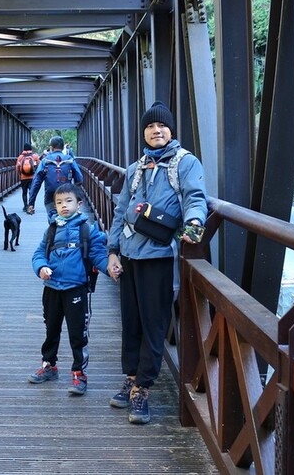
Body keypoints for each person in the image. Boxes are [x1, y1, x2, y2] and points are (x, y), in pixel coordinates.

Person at [106, 101, 208, 425]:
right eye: (150, 127)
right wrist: (112, 251)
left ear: (171, 130)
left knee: (154, 325)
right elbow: (121, 210)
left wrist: (194, 223)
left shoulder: (185, 163)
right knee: (131, 323)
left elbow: (195, 197)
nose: (156, 130)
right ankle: (132, 376)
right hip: (130, 254)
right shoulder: (136, 168)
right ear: (145, 133)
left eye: (161, 126)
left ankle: (143, 388)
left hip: (159, 256)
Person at [28, 183, 109, 396]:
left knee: (77, 333)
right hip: (52, 287)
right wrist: (41, 267)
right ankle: (49, 365)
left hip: (76, 289)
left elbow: (98, 254)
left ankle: (79, 373)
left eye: (68, 201)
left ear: (79, 204)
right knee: (51, 328)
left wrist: (110, 268)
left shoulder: (87, 230)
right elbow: (38, 253)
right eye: (59, 202)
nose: (63, 206)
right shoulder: (52, 229)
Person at [27, 136, 84, 219]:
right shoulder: (70, 160)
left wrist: (31, 203)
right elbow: (79, 179)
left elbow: (36, 182)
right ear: (62, 147)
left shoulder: (45, 161)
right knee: (66, 219)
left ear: (51, 147)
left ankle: (53, 228)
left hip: (50, 196)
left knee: (52, 219)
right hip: (66, 194)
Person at [15, 143, 40, 213]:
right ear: (30, 149)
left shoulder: (20, 157)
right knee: (31, 192)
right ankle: (31, 206)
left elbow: (17, 167)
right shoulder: (34, 156)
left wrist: (20, 173)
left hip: (23, 178)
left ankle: (25, 206)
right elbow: (39, 165)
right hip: (32, 177)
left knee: (24, 192)